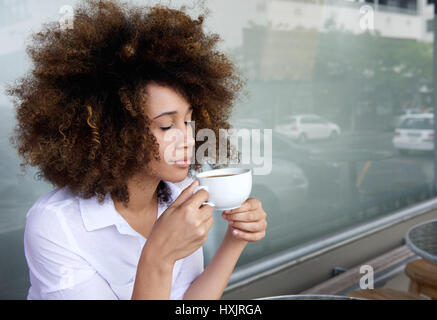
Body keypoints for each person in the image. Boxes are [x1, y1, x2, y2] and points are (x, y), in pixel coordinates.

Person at [6, 0, 267, 299]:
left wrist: (236, 238)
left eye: (189, 120)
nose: (188, 139)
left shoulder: (181, 192)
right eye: (166, 126)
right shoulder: (56, 225)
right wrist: (158, 258)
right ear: (115, 132)